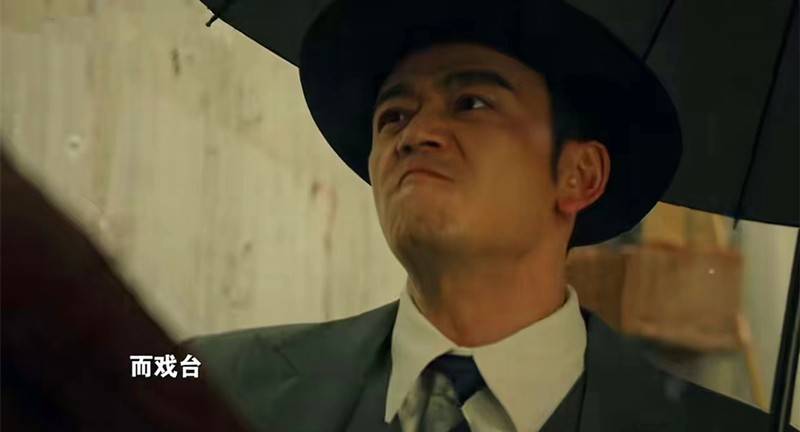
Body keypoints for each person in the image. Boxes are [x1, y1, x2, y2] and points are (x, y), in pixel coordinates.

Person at [187, 0, 788, 430]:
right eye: (393, 116)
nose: (416, 133)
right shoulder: (208, 382)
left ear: (579, 175)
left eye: (471, 103)